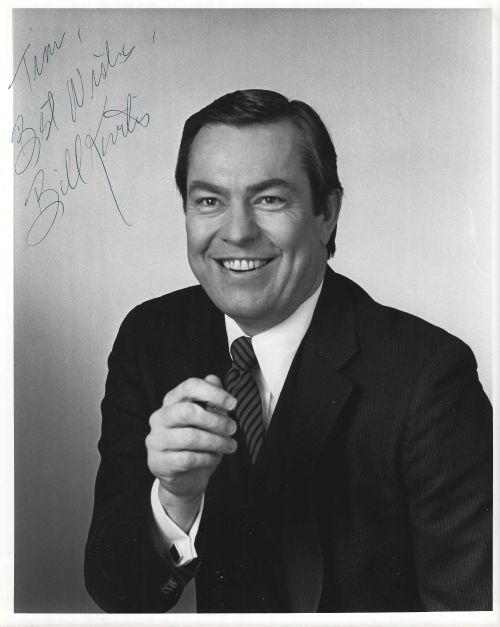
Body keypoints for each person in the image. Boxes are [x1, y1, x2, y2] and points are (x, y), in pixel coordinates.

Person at [84, 89, 492, 613]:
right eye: (209, 201)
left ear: (327, 213)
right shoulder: (150, 338)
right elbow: (120, 597)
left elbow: (470, 610)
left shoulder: (428, 375)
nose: (237, 232)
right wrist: (175, 501)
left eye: (270, 199)